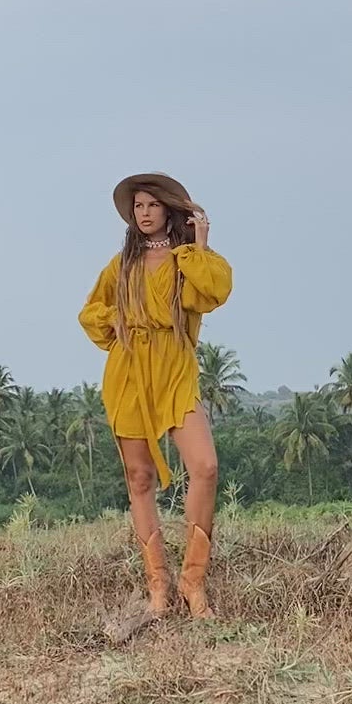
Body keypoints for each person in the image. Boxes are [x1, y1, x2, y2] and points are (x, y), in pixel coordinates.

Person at [79, 173, 232, 626]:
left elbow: (214, 292)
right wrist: (120, 316)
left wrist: (199, 243)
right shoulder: (121, 265)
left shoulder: (188, 261)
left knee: (204, 466)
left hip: (175, 369)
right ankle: (158, 586)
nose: (143, 213)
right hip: (129, 370)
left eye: (151, 205)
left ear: (168, 208)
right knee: (139, 477)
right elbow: (90, 312)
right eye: (137, 207)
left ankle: (193, 582)